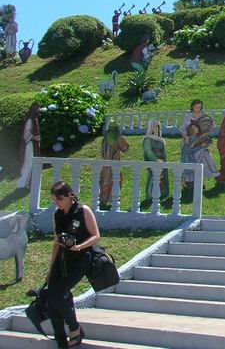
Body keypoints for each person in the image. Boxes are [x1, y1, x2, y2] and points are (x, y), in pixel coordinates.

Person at [47, 181, 101, 348]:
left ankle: (75, 328)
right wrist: (50, 269)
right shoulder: (58, 214)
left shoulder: (83, 210)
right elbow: (57, 242)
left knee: (57, 295)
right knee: (51, 297)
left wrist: (79, 246)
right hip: (62, 258)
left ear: (69, 196)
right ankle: (61, 341)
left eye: (59, 199)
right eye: (55, 200)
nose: (57, 203)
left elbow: (96, 236)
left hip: (81, 258)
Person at [99, 121, 129, 204]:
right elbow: (125, 148)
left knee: (104, 180)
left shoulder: (105, 138)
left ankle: (103, 199)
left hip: (105, 163)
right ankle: (113, 199)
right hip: (115, 162)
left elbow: (102, 152)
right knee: (116, 180)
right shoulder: (118, 136)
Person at [17, 101, 42, 189]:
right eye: (38, 108)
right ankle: (24, 183)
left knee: (32, 164)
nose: (39, 110)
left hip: (32, 144)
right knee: (28, 164)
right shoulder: (30, 120)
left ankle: (30, 183)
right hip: (29, 146)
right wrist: (35, 138)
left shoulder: (34, 119)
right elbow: (26, 134)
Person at [143, 121, 170, 201]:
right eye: (154, 127)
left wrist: (164, 160)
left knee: (163, 177)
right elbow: (148, 151)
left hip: (162, 161)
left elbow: (163, 151)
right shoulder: (147, 139)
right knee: (153, 177)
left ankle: (163, 193)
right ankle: (150, 196)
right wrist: (155, 159)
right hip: (153, 161)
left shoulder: (161, 140)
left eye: (157, 127)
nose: (156, 129)